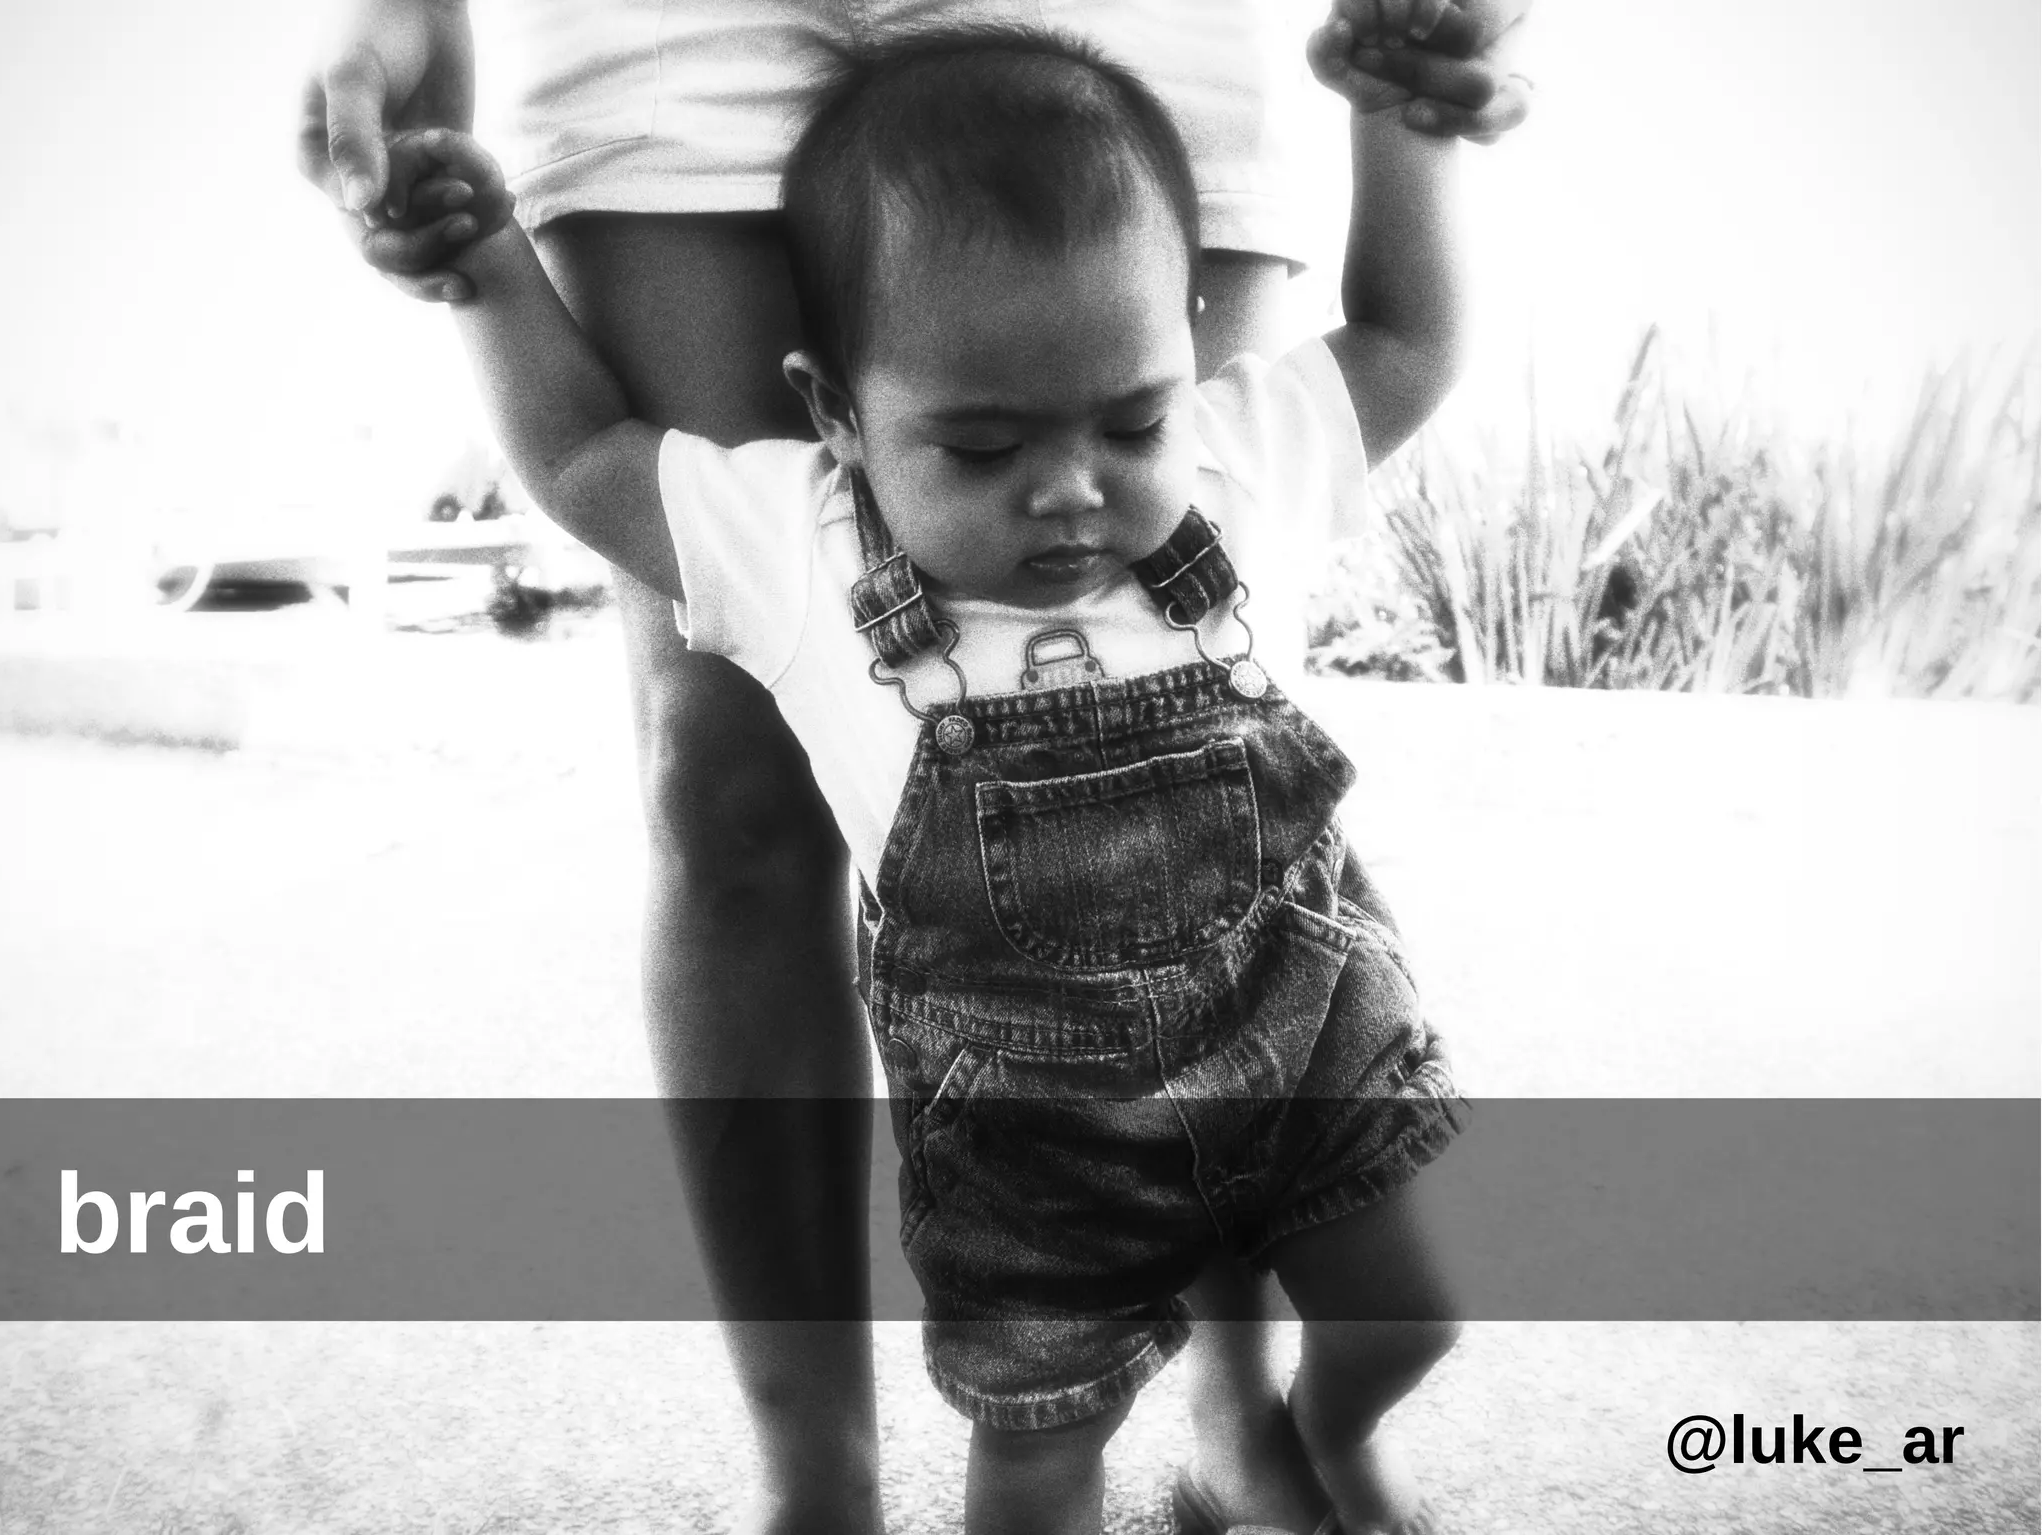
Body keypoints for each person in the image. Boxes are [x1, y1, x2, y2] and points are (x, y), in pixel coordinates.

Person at [300, 4, 1527, 1530]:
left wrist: (1401, 123)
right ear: (836, 420)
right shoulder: (801, 539)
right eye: (983, 448)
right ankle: (824, 1484)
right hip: (1031, 1147)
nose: (1071, 489)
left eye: (1131, 420)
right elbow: (580, 458)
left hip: (1299, 1046)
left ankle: (1292, 1427)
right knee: (1038, 1458)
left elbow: (1408, 341)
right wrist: (485, 270)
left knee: (1412, 1318)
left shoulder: (1234, 453)